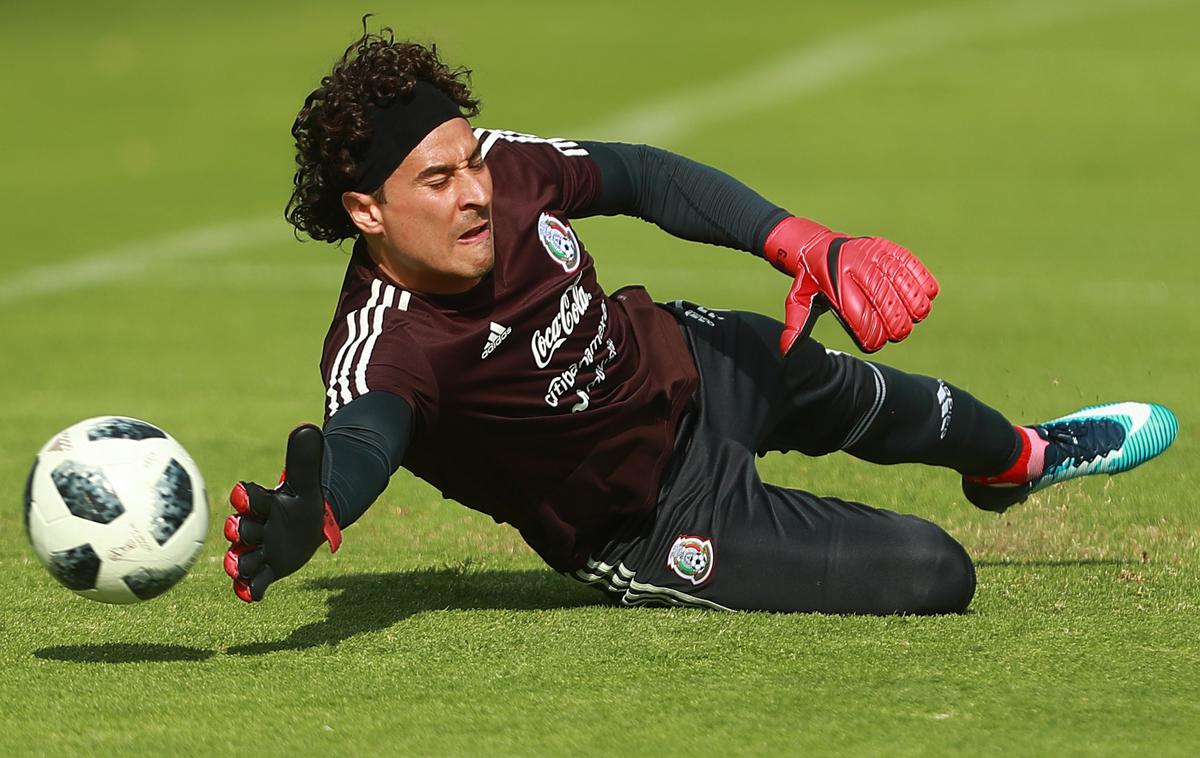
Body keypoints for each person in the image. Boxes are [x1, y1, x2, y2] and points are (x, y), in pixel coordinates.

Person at [222, 26, 1177, 614]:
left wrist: (802, 243)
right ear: (366, 211)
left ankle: (1024, 460)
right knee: (935, 575)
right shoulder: (384, 343)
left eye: (470, 158)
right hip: (656, 516)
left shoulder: (504, 167)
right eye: (440, 179)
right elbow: (364, 435)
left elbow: (642, 176)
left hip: (695, 362)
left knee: (889, 400)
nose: (476, 189)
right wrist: (325, 510)